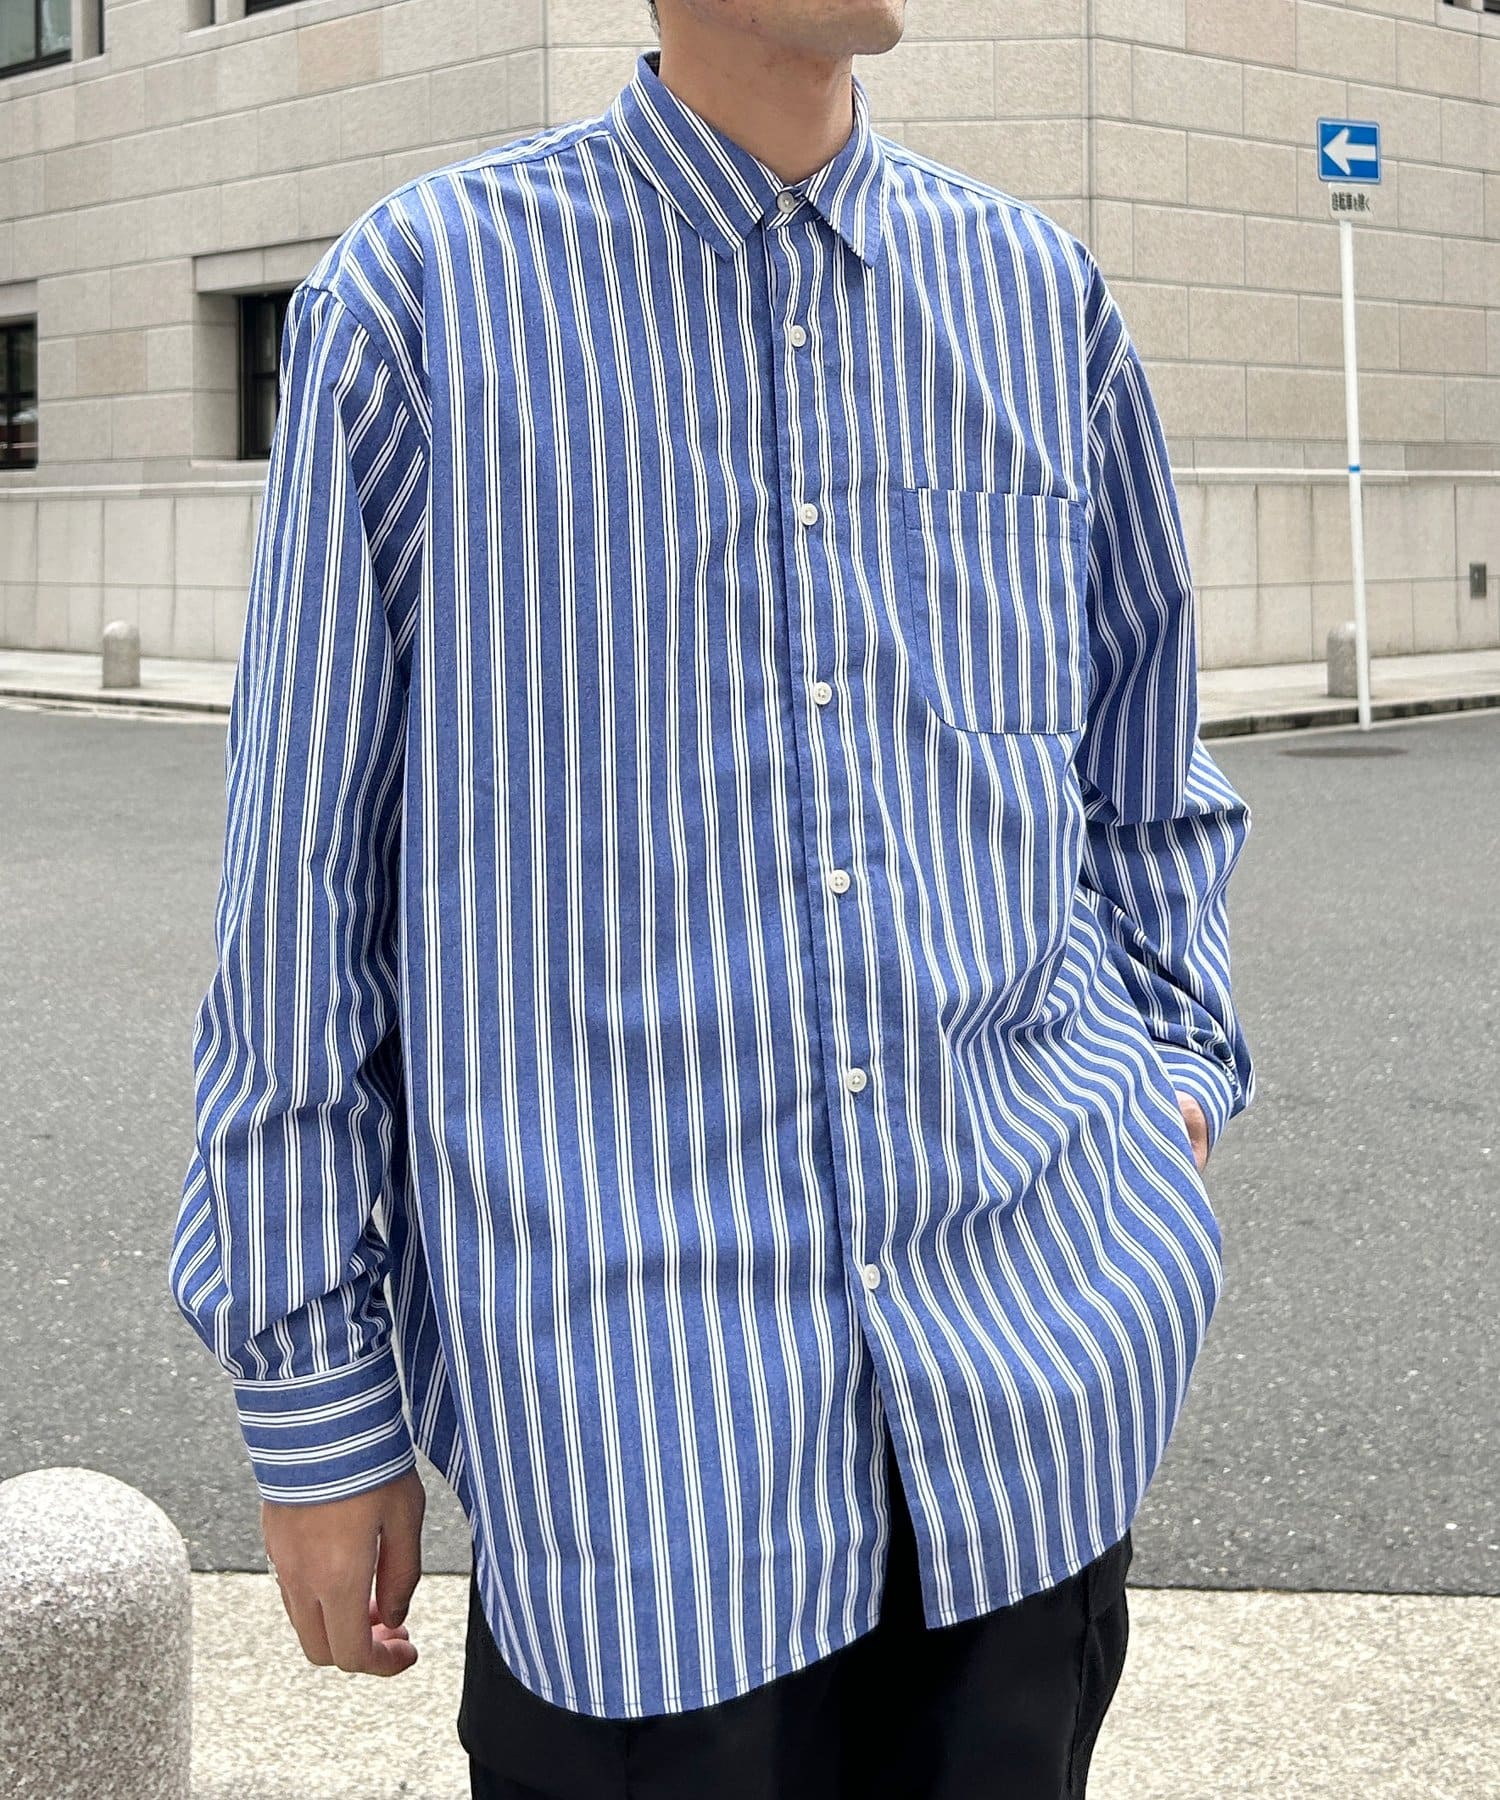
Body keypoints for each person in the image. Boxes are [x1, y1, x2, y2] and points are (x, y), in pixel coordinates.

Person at [167, 1, 1257, 1795]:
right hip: (637, 1468)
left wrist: (1175, 1087)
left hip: (1030, 1403)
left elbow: (1147, 766)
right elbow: (300, 890)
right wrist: (315, 1398)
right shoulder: (427, 303)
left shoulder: (1036, 300)